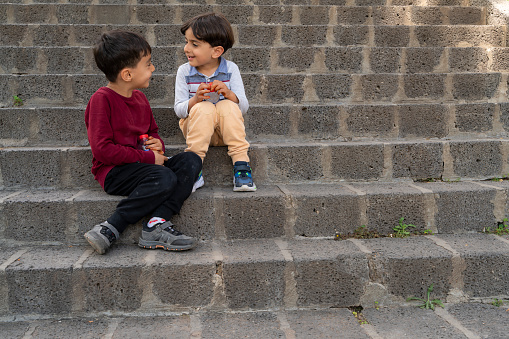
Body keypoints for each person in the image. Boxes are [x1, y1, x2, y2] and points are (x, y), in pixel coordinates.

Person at [84, 30, 202, 255]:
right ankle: (112, 227)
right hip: (115, 172)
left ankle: (156, 223)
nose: (153, 69)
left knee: (191, 160)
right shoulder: (101, 100)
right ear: (127, 74)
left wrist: (157, 145)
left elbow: (152, 133)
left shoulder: (140, 99)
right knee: (164, 177)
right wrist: (149, 157)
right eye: (148, 64)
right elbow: (102, 150)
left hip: (145, 166)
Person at [174, 12, 257, 192]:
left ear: (216, 51)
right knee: (204, 107)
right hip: (196, 131)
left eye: (194, 44)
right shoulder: (184, 72)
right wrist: (195, 99)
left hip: (223, 134)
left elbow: (243, 107)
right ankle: (193, 167)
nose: (186, 48)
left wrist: (229, 94)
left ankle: (242, 166)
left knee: (228, 105)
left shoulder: (231, 70)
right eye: (186, 42)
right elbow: (179, 111)